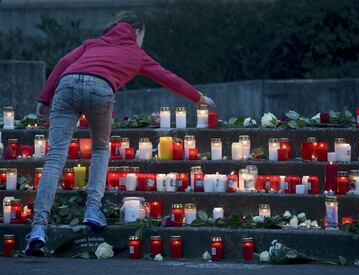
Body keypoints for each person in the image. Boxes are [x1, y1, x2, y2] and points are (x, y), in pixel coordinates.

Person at [25, 10, 216, 256]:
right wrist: (198, 97)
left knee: (54, 158)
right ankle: (93, 209)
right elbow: (168, 78)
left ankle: (39, 227)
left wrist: (43, 99)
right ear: (137, 31)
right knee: (101, 148)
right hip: (100, 88)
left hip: (67, 84)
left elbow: (63, 63)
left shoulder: (92, 43)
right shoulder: (136, 54)